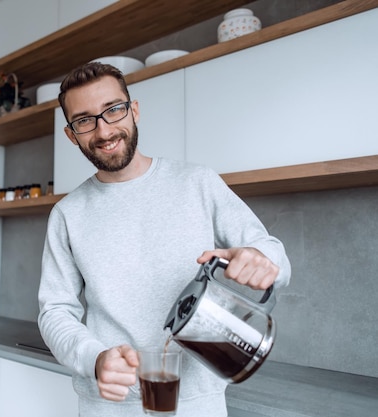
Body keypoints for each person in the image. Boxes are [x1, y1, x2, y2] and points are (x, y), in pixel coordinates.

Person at [37, 62, 291, 417]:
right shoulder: (67, 214)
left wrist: (258, 259)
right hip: (108, 405)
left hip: (197, 403)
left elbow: (274, 255)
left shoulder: (198, 182)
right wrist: (93, 359)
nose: (104, 129)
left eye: (113, 110)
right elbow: (55, 311)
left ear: (134, 109)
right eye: (84, 120)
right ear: (71, 134)